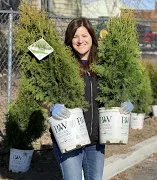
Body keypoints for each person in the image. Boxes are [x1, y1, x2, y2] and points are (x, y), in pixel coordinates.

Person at [49, 17, 134, 180]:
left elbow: (114, 90)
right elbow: (39, 90)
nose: (80, 40)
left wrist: (123, 101)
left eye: (84, 35)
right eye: (75, 36)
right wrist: (52, 106)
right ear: (69, 40)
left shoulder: (104, 64)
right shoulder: (61, 64)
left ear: (92, 37)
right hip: (70, 136)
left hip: (96, 138)